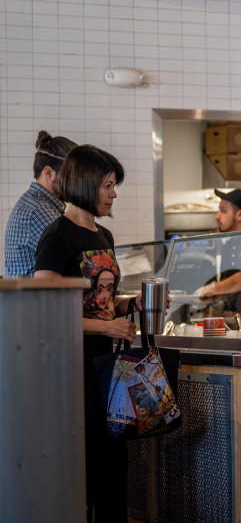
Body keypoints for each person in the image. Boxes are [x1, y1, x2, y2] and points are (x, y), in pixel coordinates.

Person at [33, 145, 138, 523]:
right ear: (85, 184)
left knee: (114, 464)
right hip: (73, 369)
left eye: (114, 186)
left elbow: (100, 300)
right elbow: (46, 312)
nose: (114, 194)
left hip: (108, 366)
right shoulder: (57, 237)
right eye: (108, 185)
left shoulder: (104, 234)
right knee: (86, 466)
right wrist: (106, 325)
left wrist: (130, 304)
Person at [3, 131, 77, 277]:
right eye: (71, 177)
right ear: (49, 173)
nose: (76, 184)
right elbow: (75, 260)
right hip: (34, 300)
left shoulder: (37, 204)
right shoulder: (38, 211)